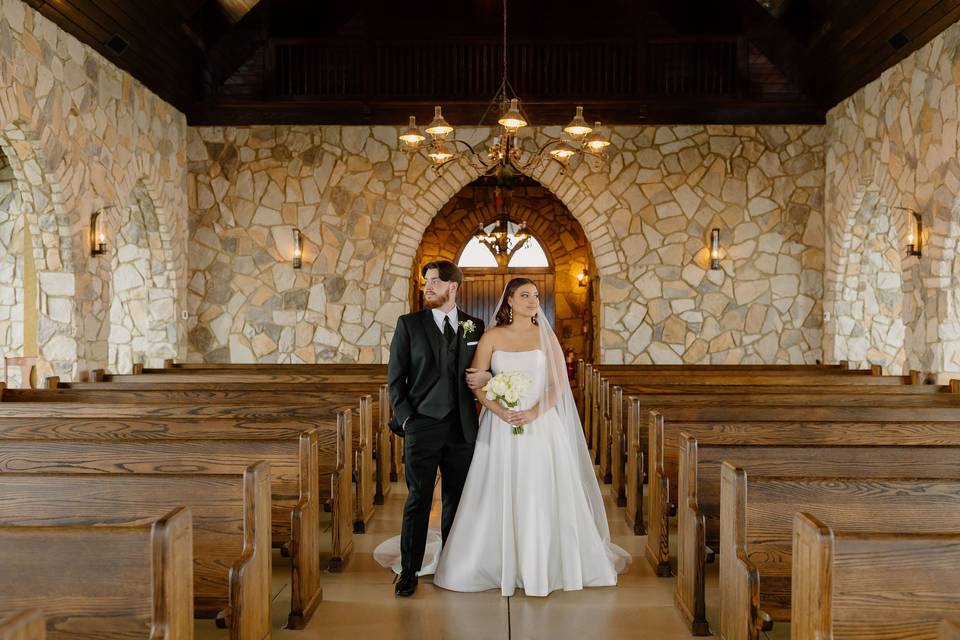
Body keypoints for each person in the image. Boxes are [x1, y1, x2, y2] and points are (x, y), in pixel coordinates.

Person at [377, 277, 630, 597]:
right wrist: (499, 410)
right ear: (508, 300)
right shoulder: (491, 336)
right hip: (499, 425)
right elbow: (477, 382)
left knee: (540, 492)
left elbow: (558, 384)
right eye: (524, 295)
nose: (532, 300)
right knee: (492, 492)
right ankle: (485, 561)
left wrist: (535, 412)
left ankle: (542, 562)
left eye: (536, 296)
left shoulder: (545, 337)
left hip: (540, 426)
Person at [385, 260, 490, 597]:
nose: (427, 287)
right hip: (423, 426)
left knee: (457, 501)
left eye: (434, 281)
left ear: (453, 287)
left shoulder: (475, 325)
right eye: (426, 281)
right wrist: (407, 421)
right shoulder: (409, 324)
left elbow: (485, 368)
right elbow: (395, 381)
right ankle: (409, 571)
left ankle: (454, 564)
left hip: (462, 427)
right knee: (418, 499)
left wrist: (488, 378)